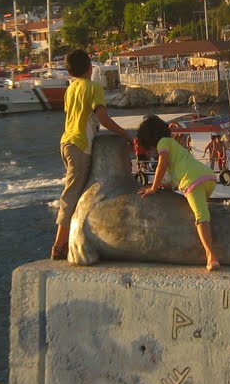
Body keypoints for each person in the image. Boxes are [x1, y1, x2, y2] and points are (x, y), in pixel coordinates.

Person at [51, 49, 131, 261]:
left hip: (66, 142)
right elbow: (102, 119)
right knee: (72, 194)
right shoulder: (93, 87)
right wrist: (124, 133)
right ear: (89, 68)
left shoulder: (71, 89)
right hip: (80, 145)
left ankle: (74, 237)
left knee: (79, 192)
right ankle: (59, 244)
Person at [136, 114, 221, 271]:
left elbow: (161, 165)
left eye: (150, 148)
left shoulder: (163, 143)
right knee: (201, 211)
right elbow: (172, 177)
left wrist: (153, 188)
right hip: (207, 177)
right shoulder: (174, 146)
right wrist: (166, 187)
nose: (152, 152)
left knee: (201, 218)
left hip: (193, 181)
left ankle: (210, 255)